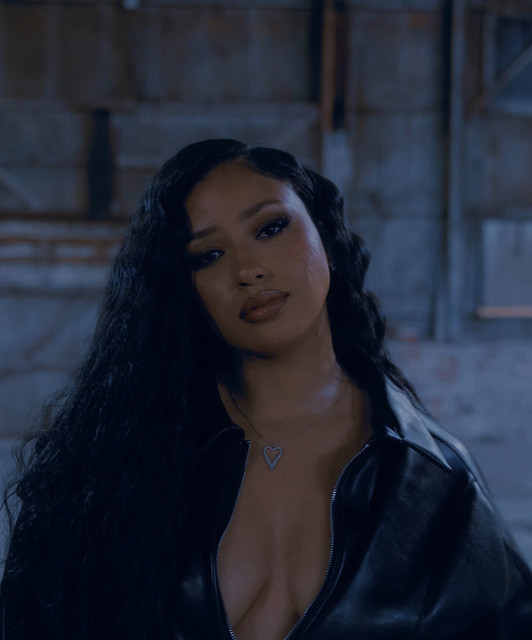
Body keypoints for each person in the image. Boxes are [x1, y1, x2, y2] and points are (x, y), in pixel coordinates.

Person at [1, 139, 531, 640]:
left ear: (326, 236)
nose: (249, 270)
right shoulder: (117, 459)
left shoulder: (433, 479)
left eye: (271, 227)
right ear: (183, 290)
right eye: (208, 255)